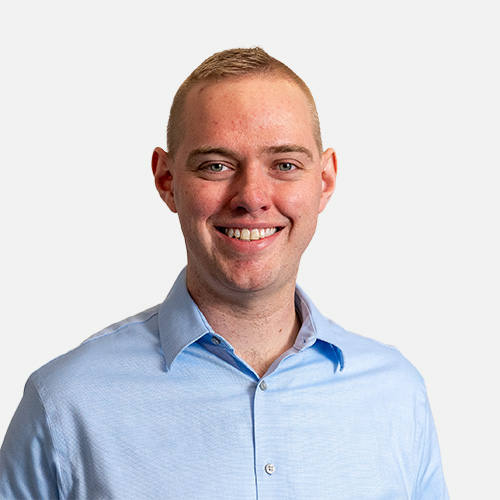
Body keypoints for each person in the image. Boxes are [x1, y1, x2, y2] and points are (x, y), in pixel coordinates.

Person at [0, 47, 448, 499]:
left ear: (324, 181)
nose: (252, 197)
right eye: (216, 165)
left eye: (285, 165)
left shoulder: (397, 393)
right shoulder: (65, 403)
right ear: (167, 180)